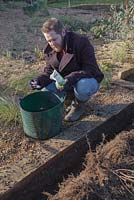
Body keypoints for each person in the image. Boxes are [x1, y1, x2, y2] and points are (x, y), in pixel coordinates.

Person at [30, 18, 104, 122]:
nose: (52, 44)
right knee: (45, 91)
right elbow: (49, 71)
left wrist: (69, 79)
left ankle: (78, 105)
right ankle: (67, 99)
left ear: (63, 32)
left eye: (54, 39)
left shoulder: (81, 42)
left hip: (86, 79)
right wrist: (38, 81)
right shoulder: (49, 50)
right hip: (65, 82)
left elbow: (90, 69)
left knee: (83, 86)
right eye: (49, 41)